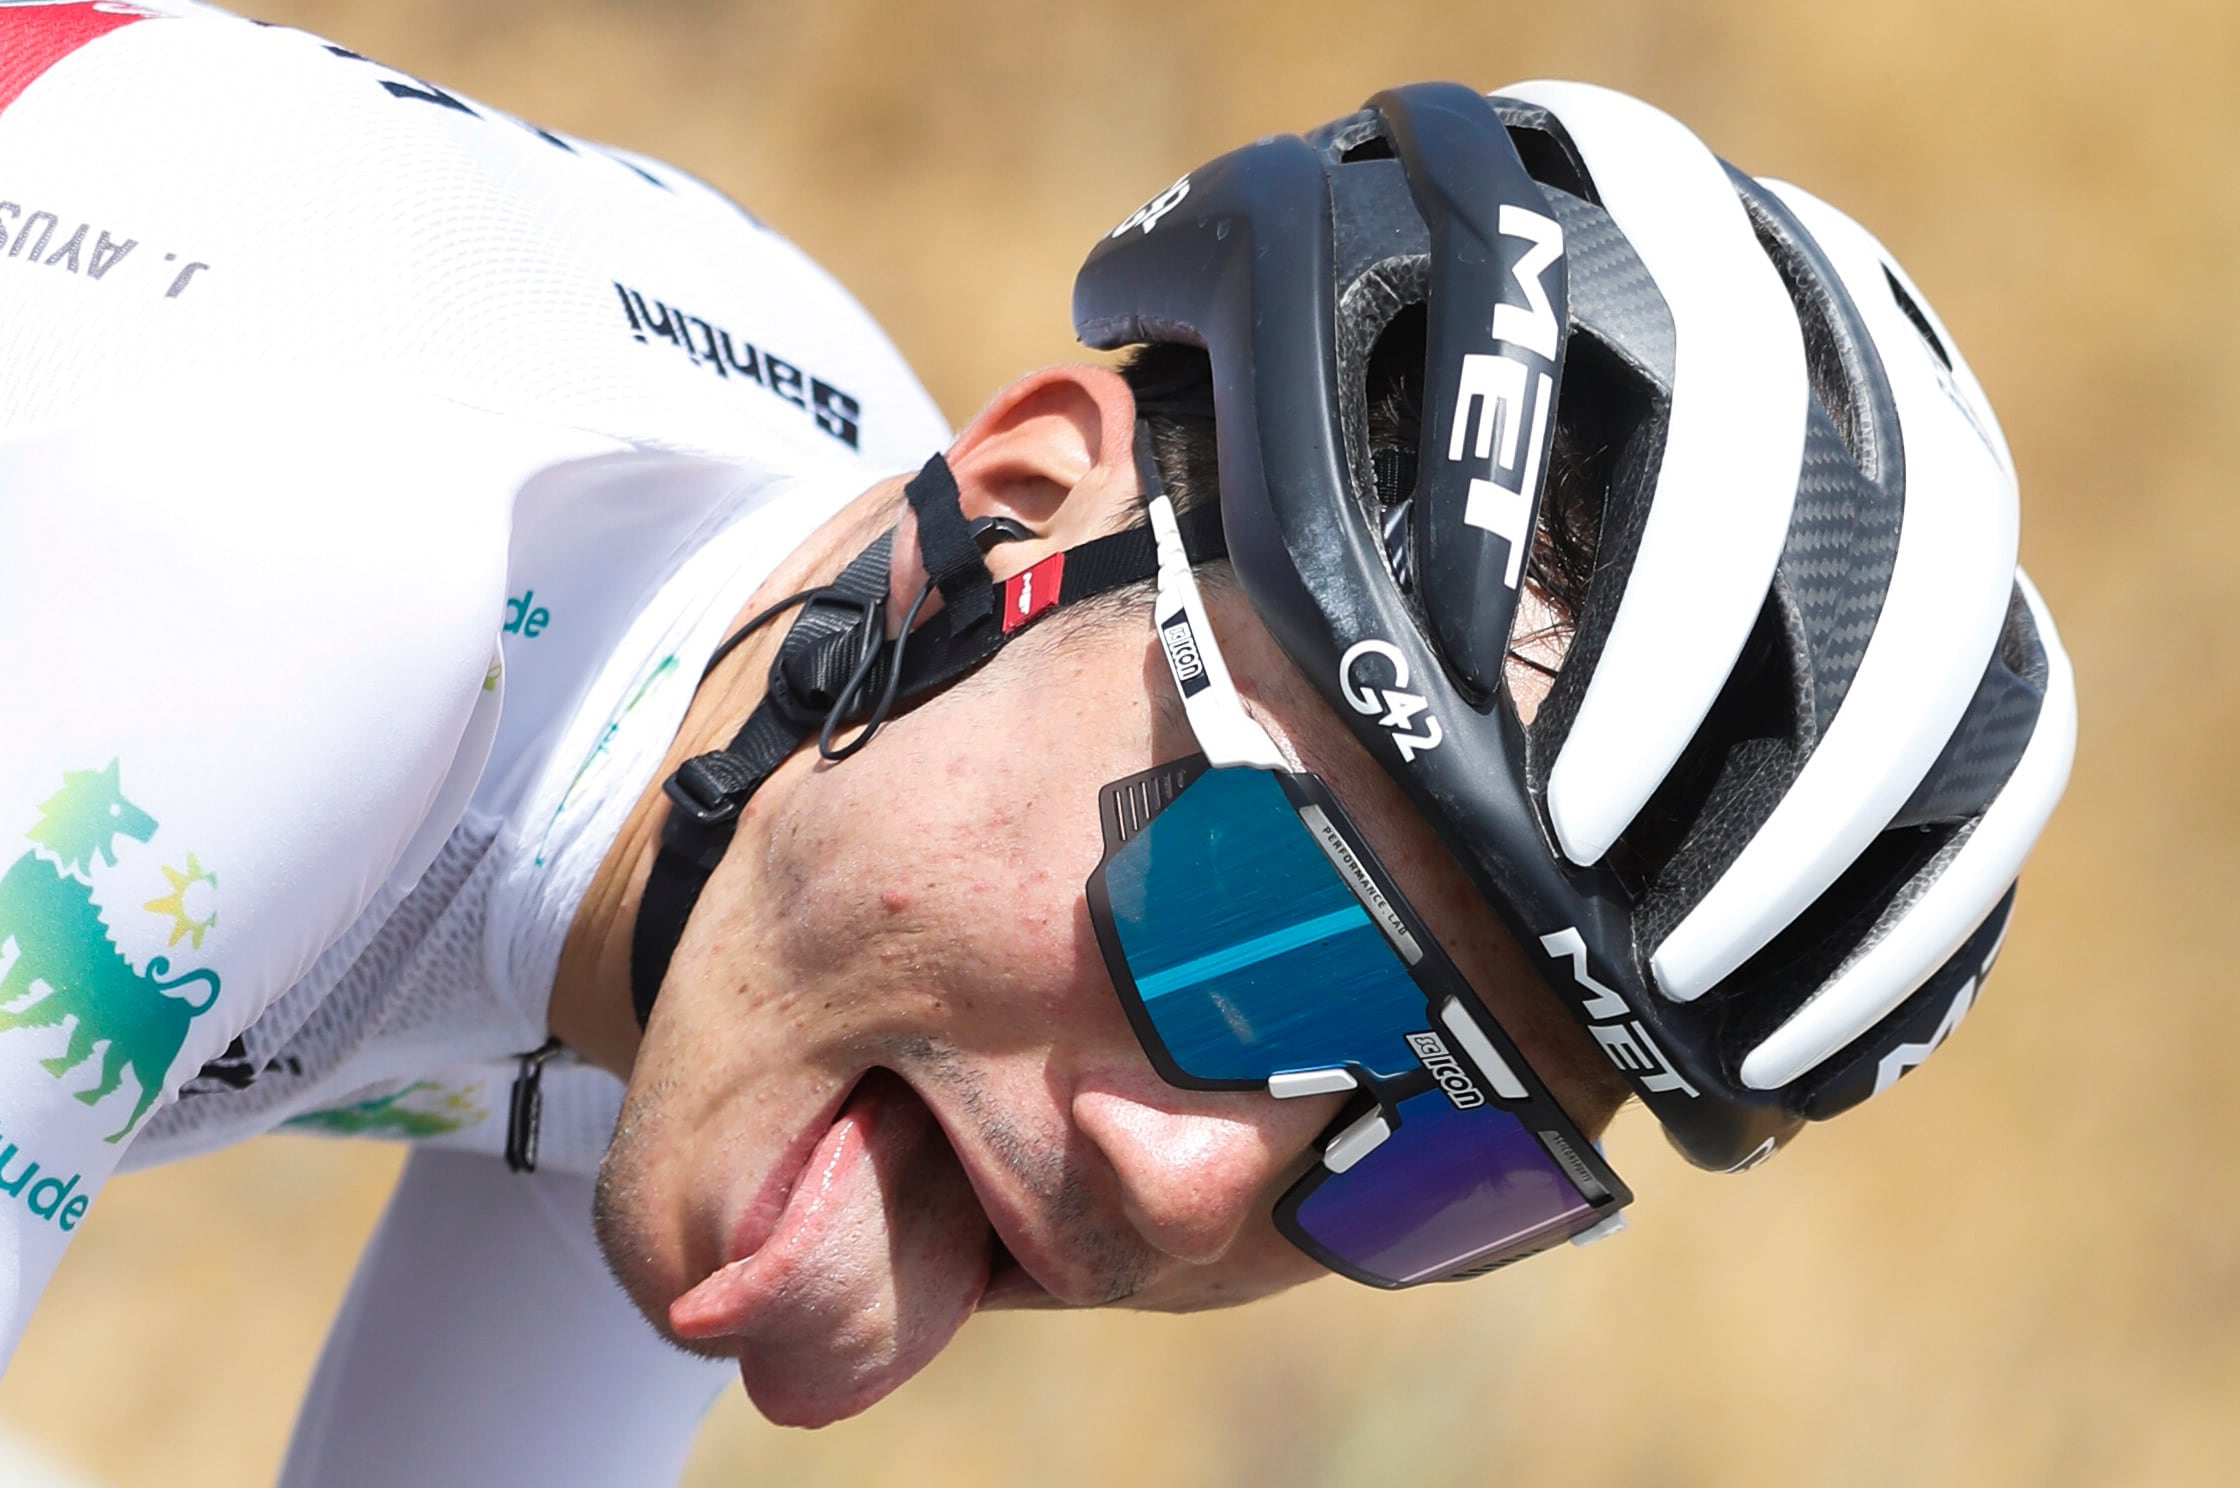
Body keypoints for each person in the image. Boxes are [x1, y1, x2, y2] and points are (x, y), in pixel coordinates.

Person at [0, 0, 2076, 1481]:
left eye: (1435, 1157)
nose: (1189, 1185)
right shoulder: (298, 576)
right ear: (1012, 520)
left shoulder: (794, 825)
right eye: (1264, 922)